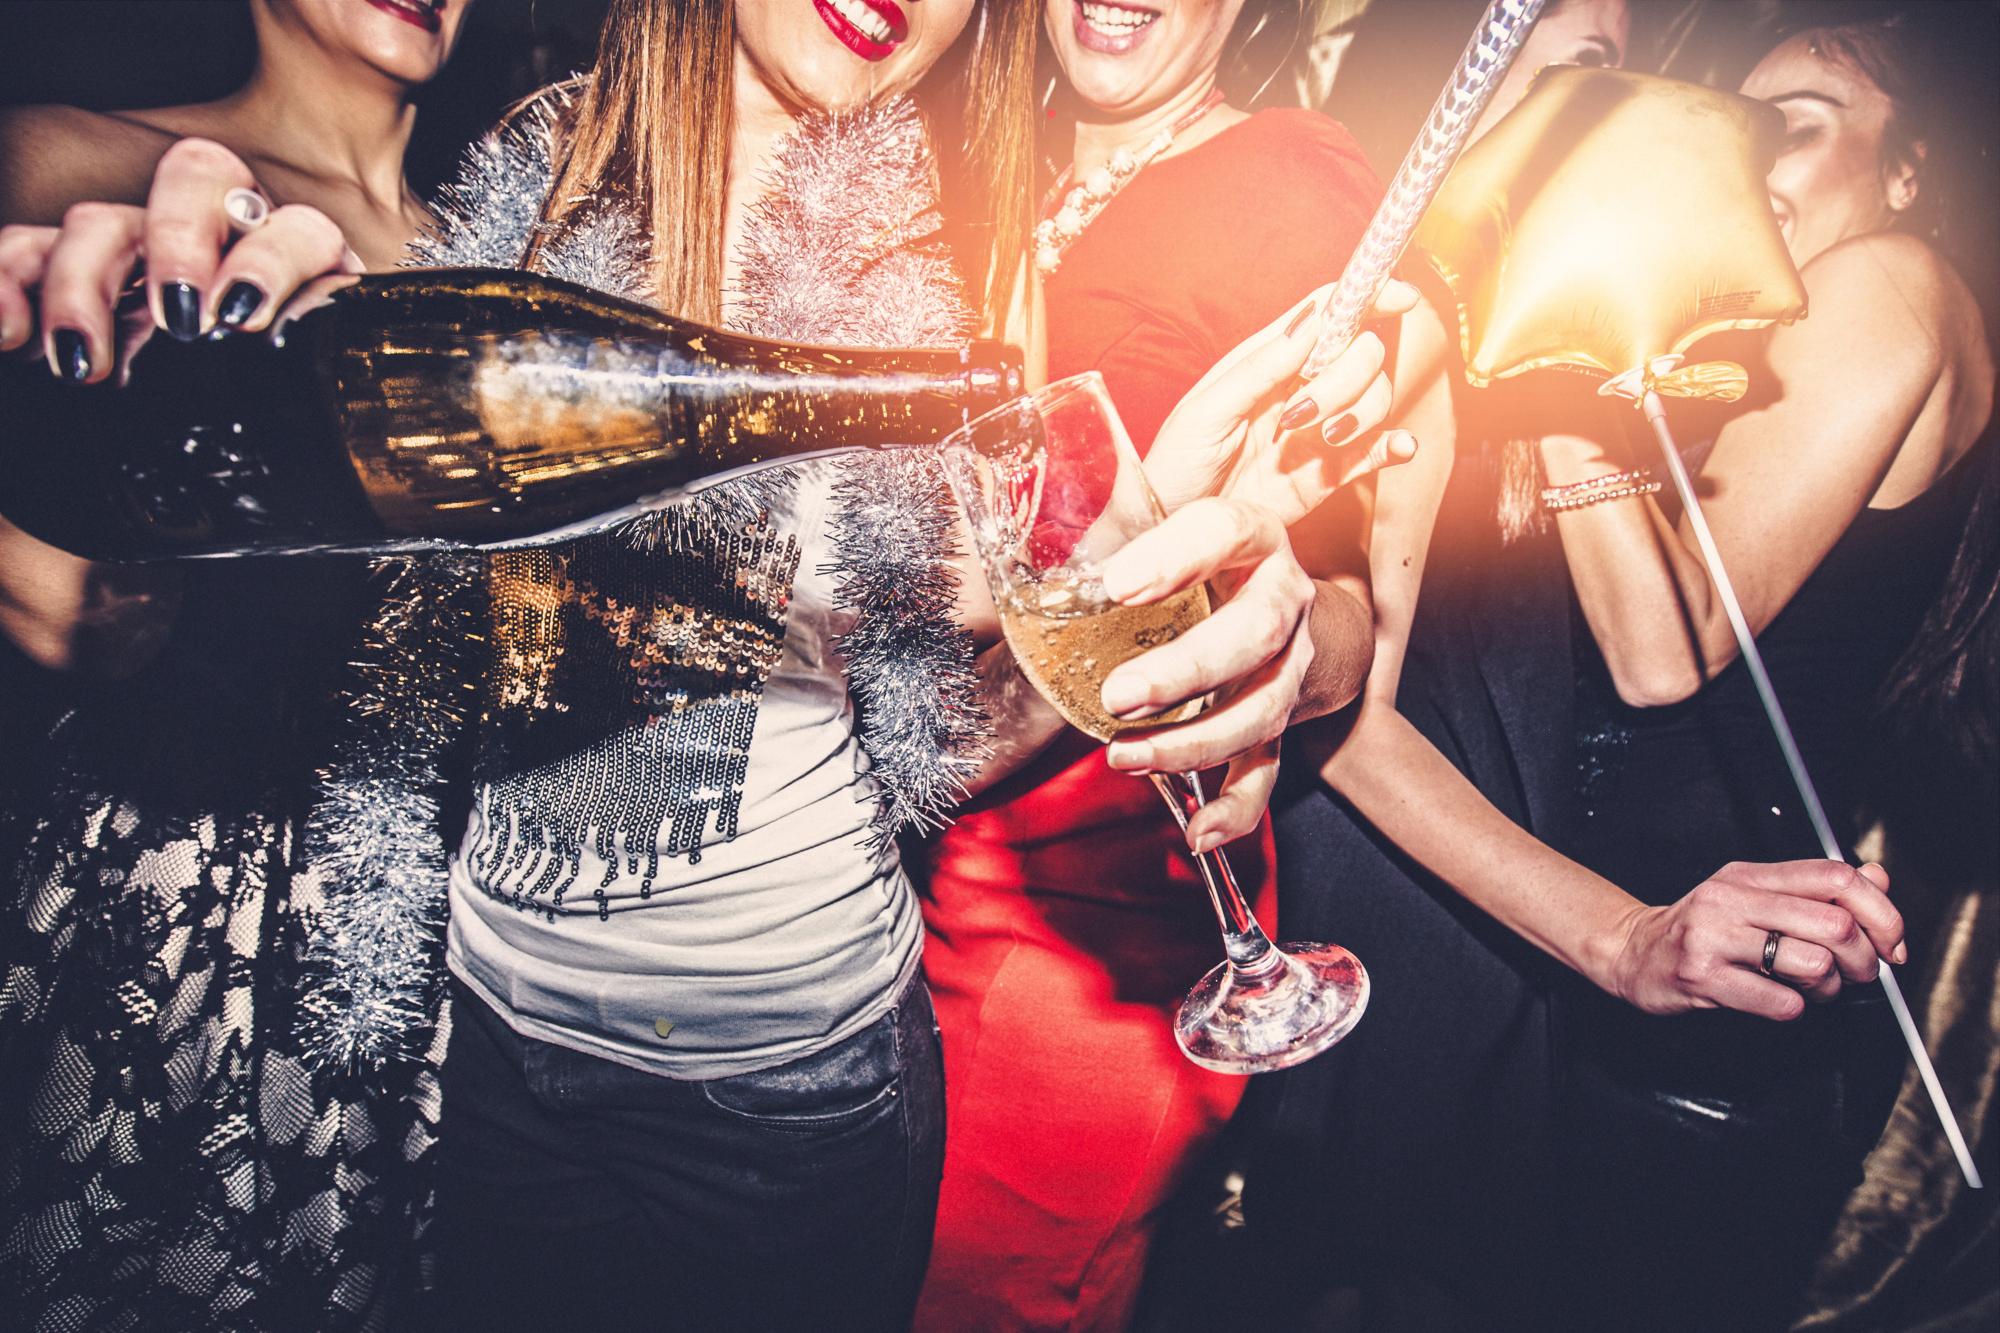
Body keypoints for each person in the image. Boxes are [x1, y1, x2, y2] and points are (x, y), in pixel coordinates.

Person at [0, 1, 1409, 1326]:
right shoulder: (523, 171)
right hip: (486, 1047)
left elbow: (985, 673)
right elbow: (247, 568)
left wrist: (1221, 623)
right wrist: (162, 415)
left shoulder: (971, 255)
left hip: (783, 1091)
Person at [1262, 2, 1988, 1330]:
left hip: (1716, 1015)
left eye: (1795, 126)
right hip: (1562, 991)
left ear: (1909, 170)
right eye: (1734, 123)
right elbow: (1353, 712)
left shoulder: (1891, 277)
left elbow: (1664, 652)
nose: (1744, 157)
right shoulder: (1682, 370)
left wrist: (1570, 341)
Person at [913, 2, 1447, 1328]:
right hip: (879, 868)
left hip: (1092, 919)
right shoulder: (962, 164)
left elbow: (1338, 601)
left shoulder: (1288, 176)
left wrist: (1288, 665)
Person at [0, 3, 475, 1328]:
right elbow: (65, 595)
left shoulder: (513, 244)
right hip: (183, 915)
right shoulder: (73, 160)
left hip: (457, 940)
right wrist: (75, 580)